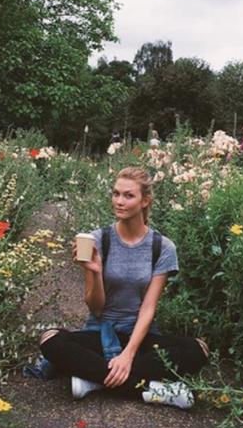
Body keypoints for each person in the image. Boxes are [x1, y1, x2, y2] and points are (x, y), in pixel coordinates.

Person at [39, 167, 209, 408]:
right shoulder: (97, 240)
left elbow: (149, 308)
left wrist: (128, 354)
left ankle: (94, 381)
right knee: (50, 339)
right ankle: (152, 390)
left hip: (139, 333)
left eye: (128, 196)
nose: (119, 201)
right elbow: (95, 308)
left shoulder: (162, 247)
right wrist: (95, 272)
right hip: (101, 330)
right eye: (116, 194)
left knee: (197, 349)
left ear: (145, 201)